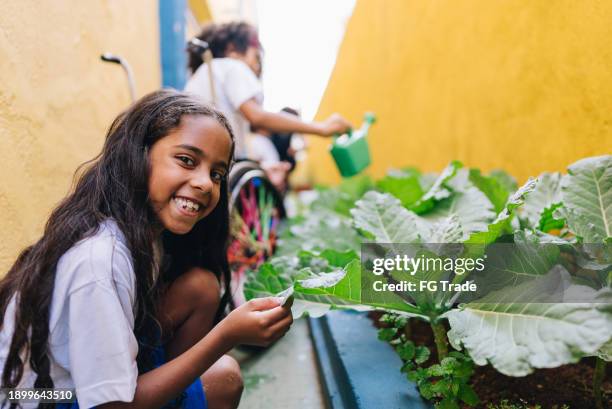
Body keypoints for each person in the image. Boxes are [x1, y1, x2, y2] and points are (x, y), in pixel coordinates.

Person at [0, 90, 293, 409]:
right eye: (186, 160)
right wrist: (225, 336)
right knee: (223, 378)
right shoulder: (99, 261)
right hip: (43, 398)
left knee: (201, 287)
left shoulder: (143, 230)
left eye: (216, 173)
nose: (205, 183)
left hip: (76, 385)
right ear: (137, 155)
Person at [185, 21, 351, 161]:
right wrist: (321, 128)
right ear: (232, 49)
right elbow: (257, 116)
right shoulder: (232, 66)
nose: (258, 68)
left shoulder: (205, 73)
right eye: (256, 57)